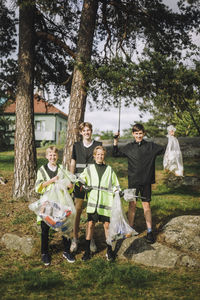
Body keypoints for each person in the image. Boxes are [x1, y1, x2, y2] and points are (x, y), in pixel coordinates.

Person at [113, 123, 164, 243]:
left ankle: (150, 231)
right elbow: (115, 154)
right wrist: (115, 141)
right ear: (133, 134)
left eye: (140, 133)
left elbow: (165, 150)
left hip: (146, 181)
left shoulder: (151, 146)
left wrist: (172, 138)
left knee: (146, 206)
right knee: (132, 205)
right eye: (136, 133)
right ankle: (129, 229)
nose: (138, 136)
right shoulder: (129, 147)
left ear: (144, 133)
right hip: (133, 181)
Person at [78, 145, 120, 261]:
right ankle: (87, 252)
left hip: (105, 204)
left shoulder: (109, 169)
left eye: (102, 154)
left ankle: (109, 251)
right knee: (90, 224)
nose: (100, 156)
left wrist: (118, 192)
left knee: (107, 226)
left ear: (104, 156)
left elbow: (116, 185)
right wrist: (83, 187)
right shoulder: (89, 169)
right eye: (98, 154)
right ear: (94, 156)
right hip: (93, 204)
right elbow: (80, 180)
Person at [35, 146, 75, 266]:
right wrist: (51, 181)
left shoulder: (62, 169)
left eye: (54, 155)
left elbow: (70, 185)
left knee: (65, 227)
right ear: (47, 156)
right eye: (50, 155)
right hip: (46, 203)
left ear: (58, 156)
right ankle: (44, 253)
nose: (52, 157)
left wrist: (69, 185)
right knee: (45, 228)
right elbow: (38, 187)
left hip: (60, 203)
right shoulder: (42, 170)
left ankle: (67, 251)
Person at [70, 122, 102, 253]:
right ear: (81, 132)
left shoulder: (97, 145)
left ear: (91, 131)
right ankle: (75, 238)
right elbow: (73, 162)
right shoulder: (76, 146)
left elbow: (101, 162)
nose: (86, 132)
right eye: (84, 131)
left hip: (93, 181)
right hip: (79, 181)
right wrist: (71, 179)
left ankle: (90, 238)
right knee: (77, 210)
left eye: (88, 130)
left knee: (91, 210)